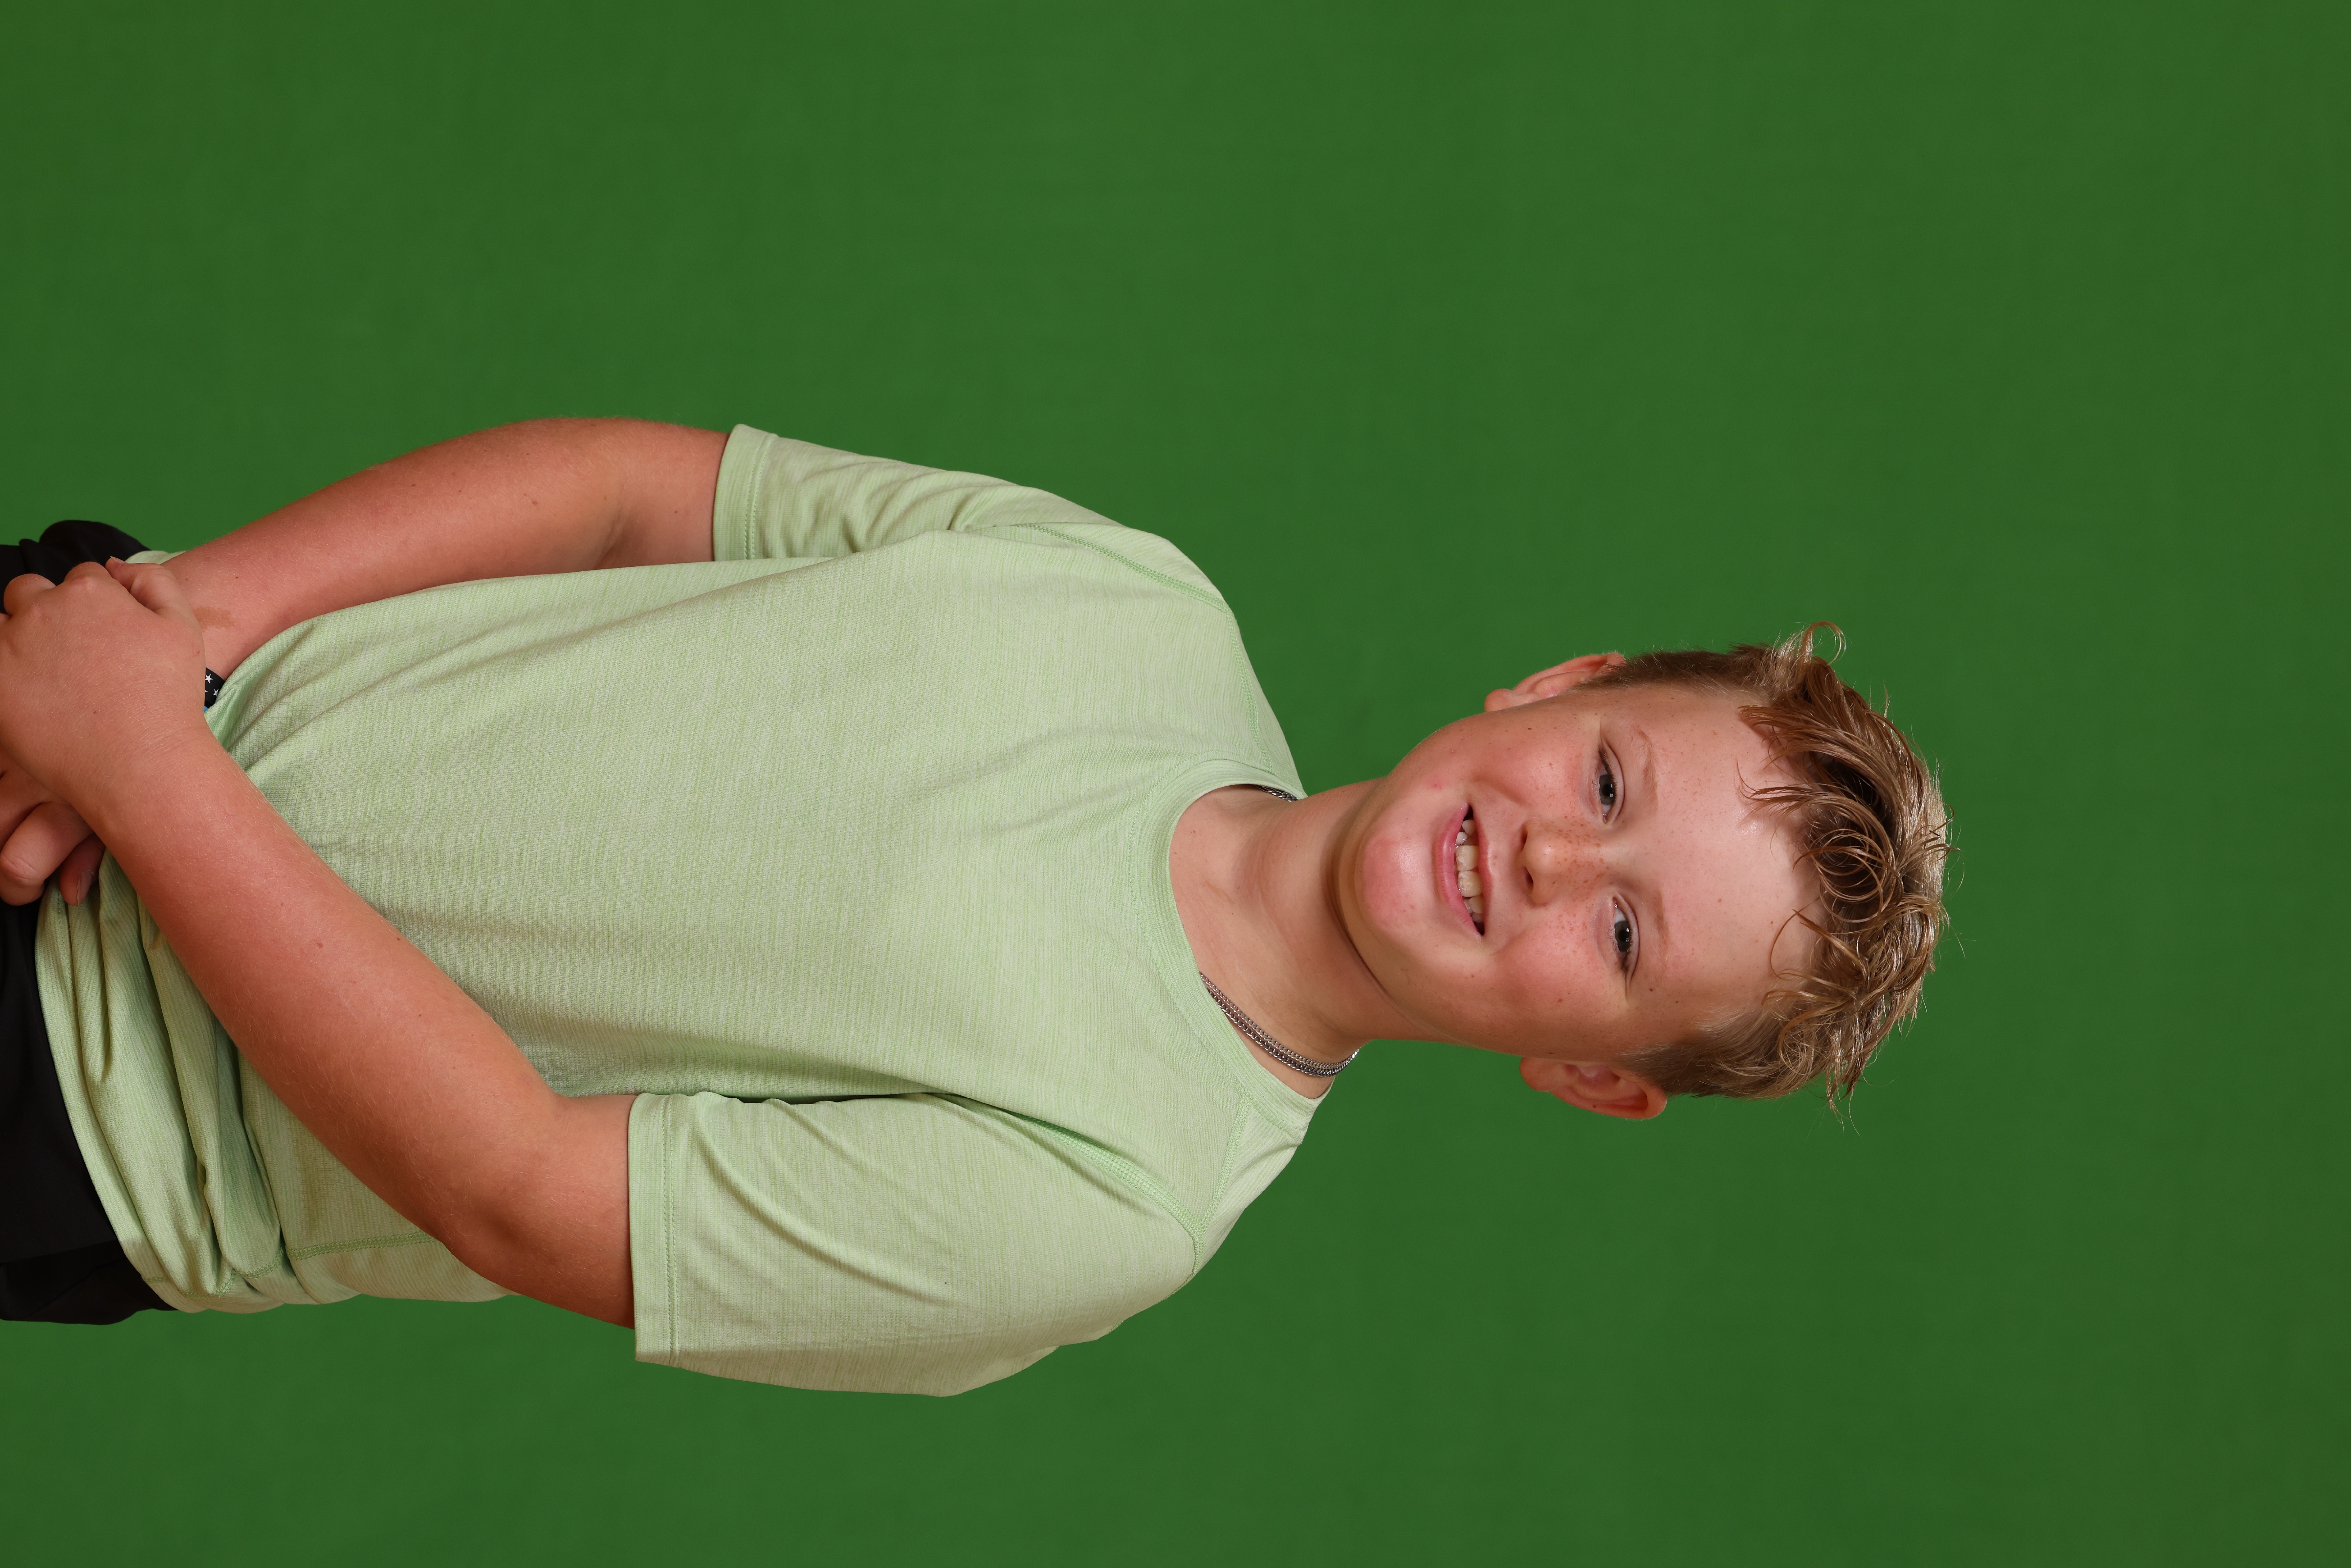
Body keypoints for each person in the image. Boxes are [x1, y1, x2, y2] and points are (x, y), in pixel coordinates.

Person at [0, 420, 1950, 1393]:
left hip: (74, 1090)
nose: (1550, 861)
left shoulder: (1115, 1199)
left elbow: (510, 1184)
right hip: (122, 665)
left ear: (1592, 1076)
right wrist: (188, 628)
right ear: (1559, 686)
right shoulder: (1136, 607)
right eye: (1606, 785)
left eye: (1625, 938)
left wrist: (146, 776)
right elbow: (635, 495)